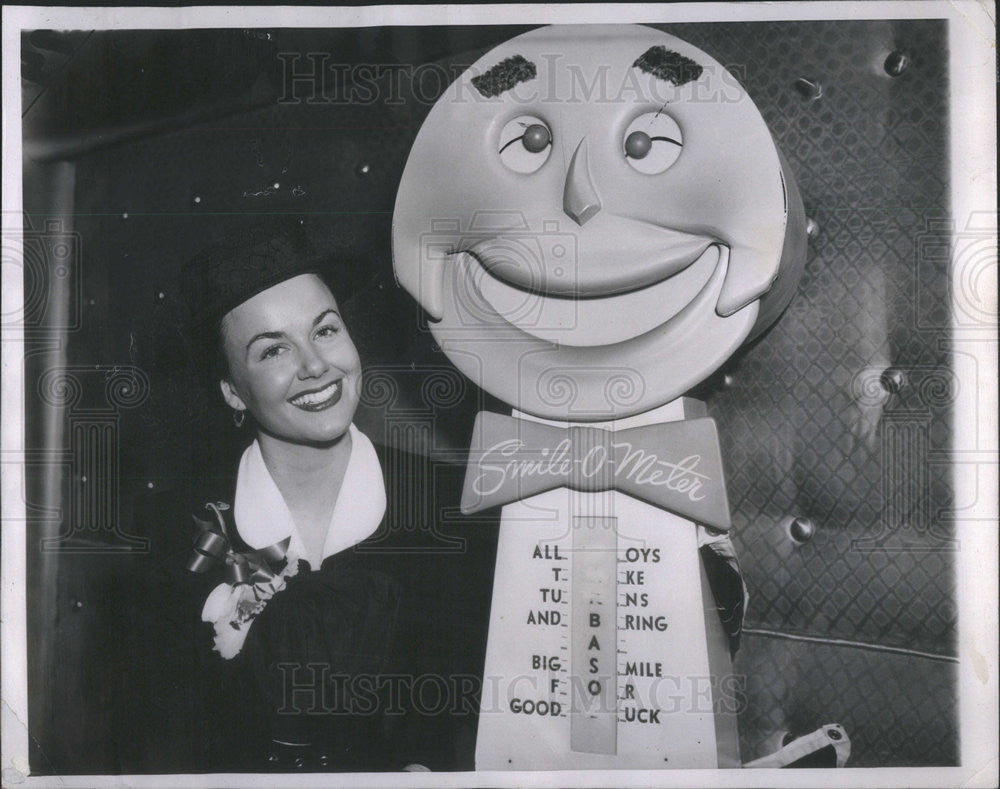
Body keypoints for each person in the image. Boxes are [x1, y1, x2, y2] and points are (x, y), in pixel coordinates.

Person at [175, 222, 406, 771]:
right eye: (274, 349)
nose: (314, 365)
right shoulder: (179, 540)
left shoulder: (455, 506)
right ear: (233, 390)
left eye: (325, 331)